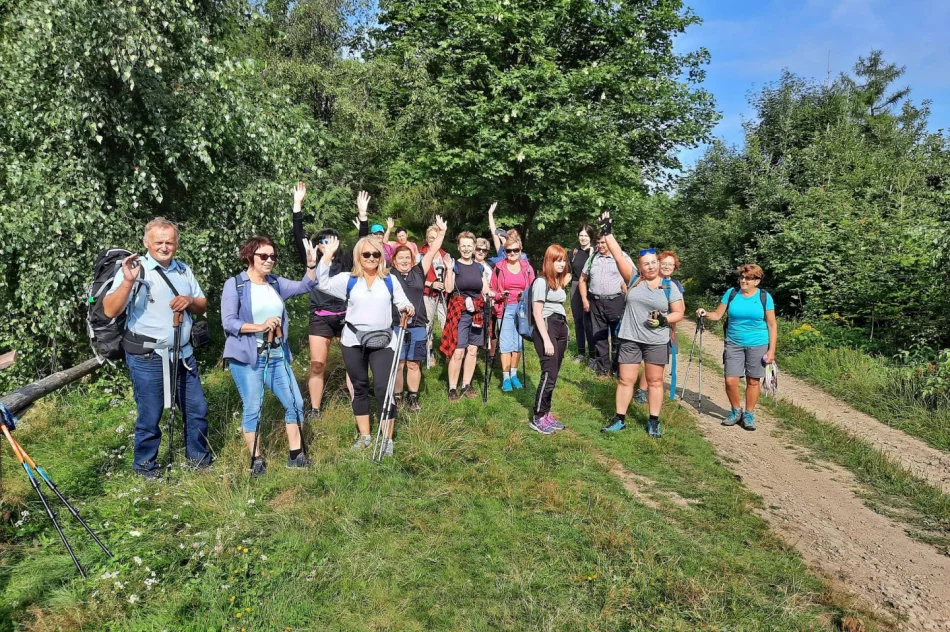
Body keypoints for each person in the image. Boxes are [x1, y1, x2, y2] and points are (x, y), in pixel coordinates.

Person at [102, 217, 212, 478]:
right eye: (158, 242)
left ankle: (199, 462)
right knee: (150, 416)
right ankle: (145, 468)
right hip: (147, 357)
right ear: (146, 243)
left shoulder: (184, 270)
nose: (164, 247)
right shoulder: (135, 270)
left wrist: (189, 300)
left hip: (183, 354)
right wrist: (128, 282)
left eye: (169, 242)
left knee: (197, 411)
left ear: (176, 243)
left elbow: (202, 305)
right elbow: (109, 310)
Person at [221, 236, 318, 475]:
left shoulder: (275, 283)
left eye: (273, 256)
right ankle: (257, 460)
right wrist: (260, 326)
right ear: (249, 256)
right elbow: (229, 322)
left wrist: (312, 265)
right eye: (263, 256)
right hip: (247, 357)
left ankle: (296, 456)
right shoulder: (235, 285)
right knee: (253, 407)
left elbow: (307, 285)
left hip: (276, 355)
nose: (269, 260)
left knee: (295, 403)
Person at [316, 235, 414, 457]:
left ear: (381, 257)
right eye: (366, 254)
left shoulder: (389, 280)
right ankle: (365, 437)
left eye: (375, 254)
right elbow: (321, 283)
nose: (371, 258)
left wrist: (408, 308)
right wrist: (327, 256)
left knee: (383, 389)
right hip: (353, 341)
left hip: (384, 341)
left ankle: (386, 439)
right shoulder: (348, 279)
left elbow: (402, 301)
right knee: (359, 387)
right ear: (358, 256)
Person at [598, 211, 685, 437]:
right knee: (626, 380)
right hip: (630, 338)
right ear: (639, 266)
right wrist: (607, 232)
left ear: (658, 263)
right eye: (646, 264)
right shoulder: (634, 278)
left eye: (653, 263)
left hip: (656, 341)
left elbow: (679, 313)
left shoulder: (669, 286)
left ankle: (653, 421)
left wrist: (664, 320)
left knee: (655, 381)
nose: (650, 267)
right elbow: (617, 255)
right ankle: (619, 419)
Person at [291, 182, 355, 420]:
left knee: (352, 364)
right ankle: (315, 410)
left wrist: (363, 216)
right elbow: (298, 236)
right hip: (320, 318)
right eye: (324, 241)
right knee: (317, 364)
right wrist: (297, 205)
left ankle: (357, 404)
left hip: (346, 317)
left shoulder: (347, 262)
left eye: (333, 240)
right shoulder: (311, 260)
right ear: (317, 245)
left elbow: (363, 243)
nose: (328, 244)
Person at [696, 264, 777, 431]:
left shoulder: (764, 296)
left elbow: (772, 324)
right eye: (741, 277)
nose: (743, 280)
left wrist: (771, 350)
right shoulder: (731, 293)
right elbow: (718, 315)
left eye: (748, 278)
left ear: (757, 280)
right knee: (730, 380)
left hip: (758, 343)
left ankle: (749, 414)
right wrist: (705, 313)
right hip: (733, 343)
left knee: (753, 380)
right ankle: (735, 411)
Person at [391, 216, 448, 411]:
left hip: (417, 324)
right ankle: (397, 396)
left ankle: (412, 397)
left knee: (414, 363)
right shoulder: (389, 275)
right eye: (401, 258)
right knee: (399, 363)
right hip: (396, 325)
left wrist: (442, 232)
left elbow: (432, 250)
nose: (405, 260)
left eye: (408, 257)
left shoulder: (419, 271)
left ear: (413, 258)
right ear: (394, 260)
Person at [440, 231, 490, 400]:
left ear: (474, 247)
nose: (467, 249)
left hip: (477, 311)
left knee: (473, 350)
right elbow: (447, 289)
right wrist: (448, 270)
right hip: (459, 311)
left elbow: (485, 289)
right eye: (464, 246)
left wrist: (493, 294)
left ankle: (466, 384)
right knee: (458, 350)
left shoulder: (480, 267)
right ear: (459, 247)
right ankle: (452, 388)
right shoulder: (454, 265)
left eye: (470, 246)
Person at [529, 245, 572, 435]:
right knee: (548, 373)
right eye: (557, 260)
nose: (562, 264)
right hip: (547, 328)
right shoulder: (541, 281)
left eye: (563, 260)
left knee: (554, 375)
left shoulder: (557, 280)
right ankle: (537, 416)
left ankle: (547, 413)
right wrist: (546, 340)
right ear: (549, 261)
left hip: (560, 327)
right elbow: (537, 313)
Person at [578, 234, 632, 377]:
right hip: (595, 302)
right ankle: (603, 370)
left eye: (604, 242)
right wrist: (584, 299)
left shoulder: (621, 256)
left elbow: (634, 277)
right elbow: (582, 279)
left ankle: (617, 369)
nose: (600, 245)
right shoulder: (592, 258)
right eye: (598, 242)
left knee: (617, 337)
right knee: (599, 337)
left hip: (616, 301)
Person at [635, 250, 684, 404]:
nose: (667, 267)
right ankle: (642, 391)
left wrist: (672, 327)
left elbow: (680, 308)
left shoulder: (675, 284)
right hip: (647, 326)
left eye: (671, 264)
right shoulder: (647, 280)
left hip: (667, 327)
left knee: (660, 362)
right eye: (664, 264)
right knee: (650, 361)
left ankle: (653, 392)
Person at [490, 233, 535, 392]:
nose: (512, 254)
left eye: (515, 250)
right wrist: (500, 295)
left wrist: (526, 295)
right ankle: (506, 378)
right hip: (505, 307)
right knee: (505, 343)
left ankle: (514, 374)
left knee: (518, 343)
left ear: (520, 250)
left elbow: (532, 290)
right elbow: (492, 290)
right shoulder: (499, 267)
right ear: (505, 251)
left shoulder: (527, 268)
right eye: (508, 251)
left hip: (522, 308)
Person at [420, 224, 450, 368]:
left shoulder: (445, 256)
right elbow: (416, 277)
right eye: (431, 238)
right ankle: (428, 354)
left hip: (443, 295)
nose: (433, 241)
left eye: (436, 238)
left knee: (446, 323)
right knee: (428, 324)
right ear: (427, 239)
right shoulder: (421, 255)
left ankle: (447, 353)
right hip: (428, 294)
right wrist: (431, 284)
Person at [569, 225, 596, 364]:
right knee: (578, 321)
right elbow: (569, 272)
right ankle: (581, 353)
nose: (583, 238)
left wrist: (591, 254)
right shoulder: (574, 252)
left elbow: (594, 270)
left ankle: (593, 356)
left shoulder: (596, 251)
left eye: (586, 235)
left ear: (591, 237)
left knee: (589, 323)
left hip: (591, 288)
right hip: (575, 287)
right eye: (581, 235)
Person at [354, 191, 394, 263]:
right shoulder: (367, 247)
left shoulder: (388, 248)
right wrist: (362, 215)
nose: (378, 236)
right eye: (376, 233)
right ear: (371, 235)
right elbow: (362, 239)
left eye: (380, 233)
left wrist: (389, 229)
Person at [475, 237, 498, 360]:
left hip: (490, 300)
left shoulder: (491, 265)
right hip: (475, 300)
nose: (481, 252)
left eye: (484, 250)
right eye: (478, 249)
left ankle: (491, 355)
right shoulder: (470, 263)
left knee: (491, 327)